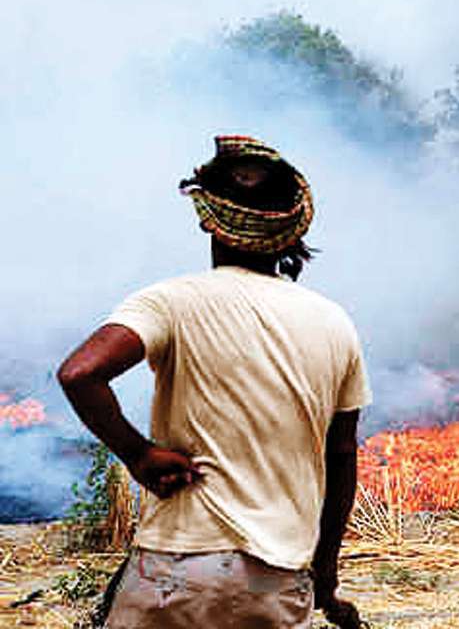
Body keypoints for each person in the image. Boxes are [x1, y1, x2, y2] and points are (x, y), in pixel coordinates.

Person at [58, 135, 370, 628]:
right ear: (290, 227)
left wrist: (139, 455)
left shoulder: (169, 302)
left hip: (175, 574)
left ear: (208, 217)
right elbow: (342, 456)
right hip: (277, 580)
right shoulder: (335, 323)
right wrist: (325, 579)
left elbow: (80, 373)